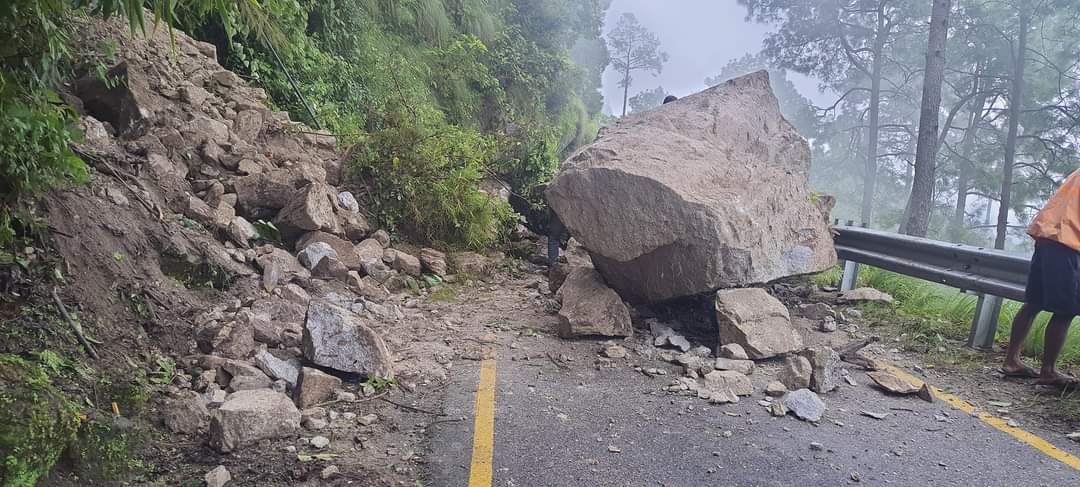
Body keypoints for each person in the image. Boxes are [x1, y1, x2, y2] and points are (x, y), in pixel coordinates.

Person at [1003, 169, 1080, 389]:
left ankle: (1011, 361)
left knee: (1034, 302)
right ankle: (1048, 371)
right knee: (1066, 310)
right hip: (1067, 241)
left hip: (1048, 235)